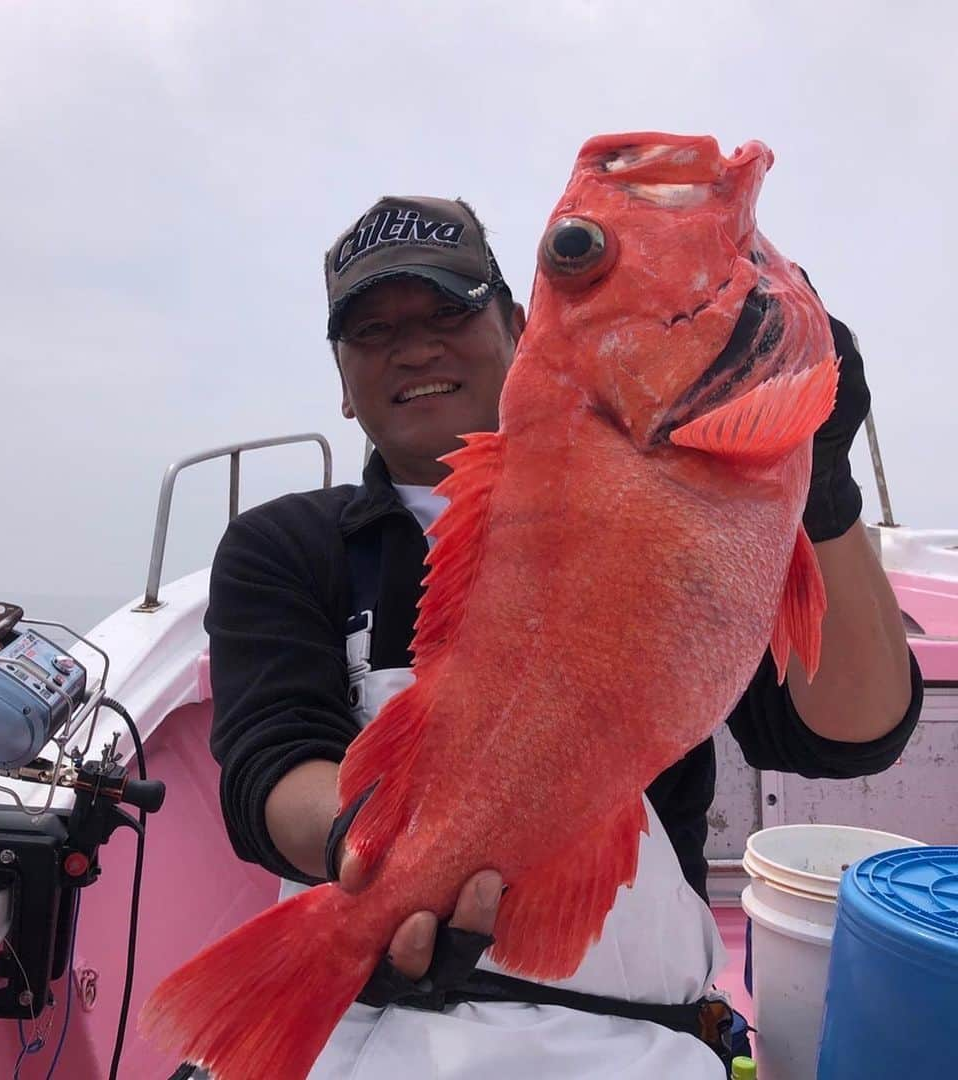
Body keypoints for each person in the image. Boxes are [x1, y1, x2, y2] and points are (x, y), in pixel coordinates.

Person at [190, 196, 921, 1079]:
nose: (415, 346)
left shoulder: (692, 499)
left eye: (448, 310)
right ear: (343, 387)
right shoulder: (287, 544)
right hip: (361, 1022)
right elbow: (272, 760)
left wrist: (822, 485)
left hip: (637, 1037)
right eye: (373, 331)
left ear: (521, 327)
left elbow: (851, 734)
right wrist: (381, 876)